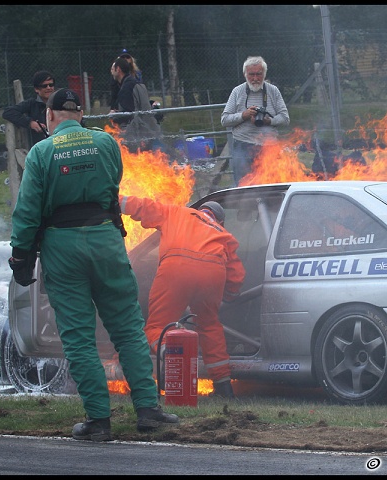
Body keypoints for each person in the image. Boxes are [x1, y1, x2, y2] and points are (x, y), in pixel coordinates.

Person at [9, 88, 179, 441]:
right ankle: (147, 410)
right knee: (128, 329)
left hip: (62, 245)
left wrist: (21, 256)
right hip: (105, 240)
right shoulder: (105, 144)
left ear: (51, 116)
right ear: (81, 114)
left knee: (79, 336)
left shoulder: (41, 152)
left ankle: (98, 421)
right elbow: (112, 186)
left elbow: (27, 212)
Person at [119, 197, 245, 399]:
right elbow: (236, 274)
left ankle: (172, 358)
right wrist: (229, 296)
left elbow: (144, 207)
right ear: (219, 221)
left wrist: (113, 199)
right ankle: (223, 387)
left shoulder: (178, 212)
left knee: (156, 327)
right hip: (213, 272)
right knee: (209, 325)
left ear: (201, 210)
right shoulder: (223, 233)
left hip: (177, 268)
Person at [221, 56, 290, 186]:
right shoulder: (237, 91)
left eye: (259, 74)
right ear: (244, 74)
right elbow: (224, 120)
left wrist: (268, 121)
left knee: (271, 186)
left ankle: (271, 206)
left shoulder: (273, 91)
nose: (255, 78)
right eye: (251, 74)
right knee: (244, 187)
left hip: (268, 147)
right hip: (243, 146)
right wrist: (244, 115)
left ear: (264, 74)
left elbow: (285, 118)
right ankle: (246, 206)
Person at [110, 56, 160, 149]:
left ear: (118, 69)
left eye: (112, 68)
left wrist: (114, 116)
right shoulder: (133, 83)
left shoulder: (127, 88)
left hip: (136, 136)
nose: (111, 71)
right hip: (147, 131)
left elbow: (128, 115)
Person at [2, 70, 55, 148]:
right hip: (39, 148)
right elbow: (8, 112)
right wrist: (30, 123)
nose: (48, 88)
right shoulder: (31, 104)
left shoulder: (60, 102)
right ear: (36, 89)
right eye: (44, 86)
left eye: (51, 85)